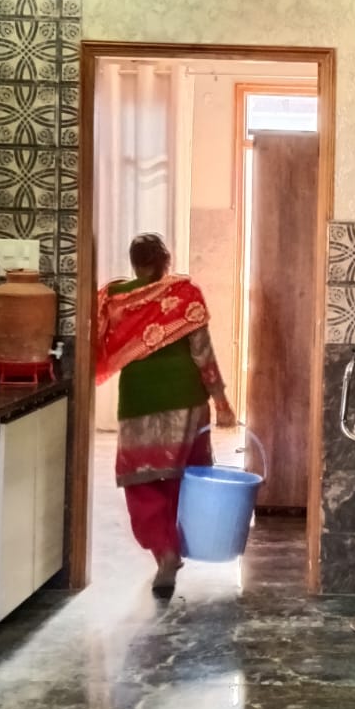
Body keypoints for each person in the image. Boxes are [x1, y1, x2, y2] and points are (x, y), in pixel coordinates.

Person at [95, 232, 236, 596]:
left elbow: (95, 343)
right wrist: (221, 402)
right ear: (166, 261)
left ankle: (165, 552)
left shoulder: (114, 299)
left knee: (141, 479)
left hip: (139, 400)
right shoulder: (185, 293)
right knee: (181, 477)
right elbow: (203, 353)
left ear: (133, 264)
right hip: (186, 399)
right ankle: (180, 544)